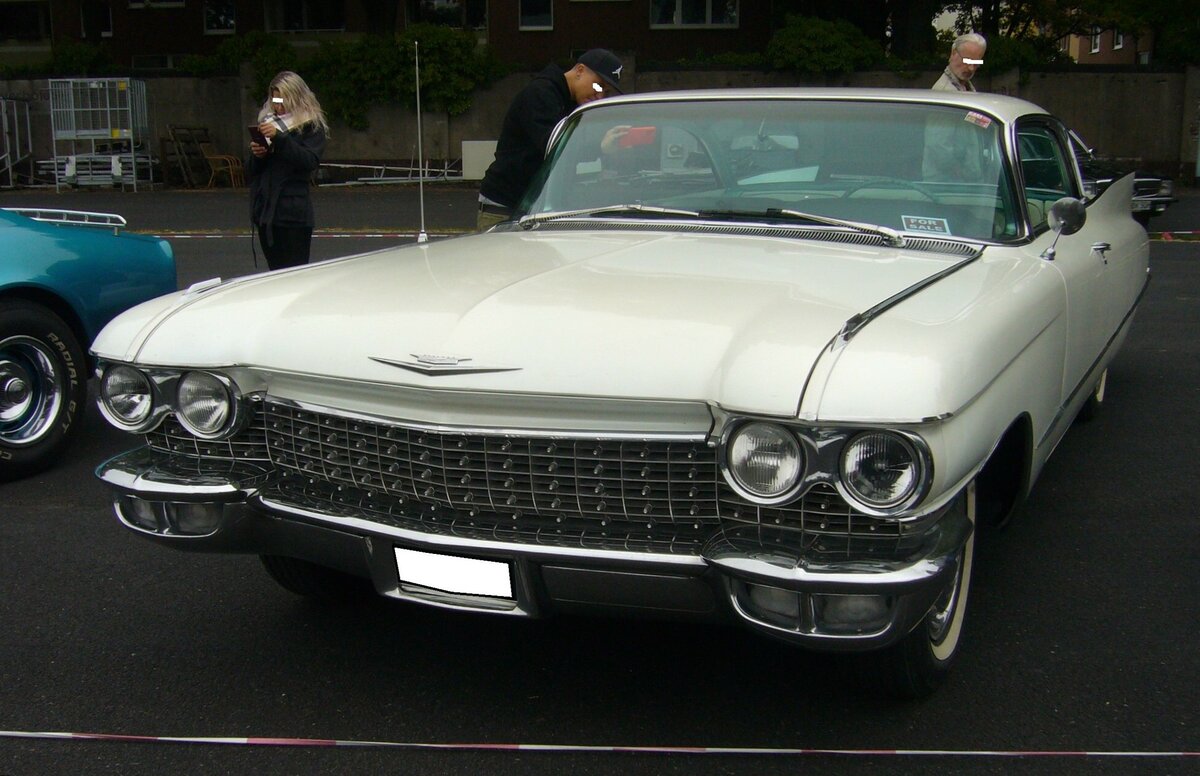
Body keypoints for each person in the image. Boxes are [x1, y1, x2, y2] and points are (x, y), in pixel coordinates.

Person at [477, 48, 624, 230]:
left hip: (533, 207)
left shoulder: (570, 101)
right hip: (504, 206)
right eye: (598, 86)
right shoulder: (541, 93)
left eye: (606, 92)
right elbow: (555, 148)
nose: (599, 95)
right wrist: (599, 147)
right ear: (580, 70)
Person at [248, 71, 328, 270]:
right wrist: (258, 155)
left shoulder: (311, 125)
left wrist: (280, 138)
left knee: (294, 273)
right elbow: (250, 172)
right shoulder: (267, 122)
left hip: (293, 214)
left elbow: (309, 161)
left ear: (296, 98)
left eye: (283, 100)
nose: (278, 106)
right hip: (266, 212)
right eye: (275, 100)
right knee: (274, 273)